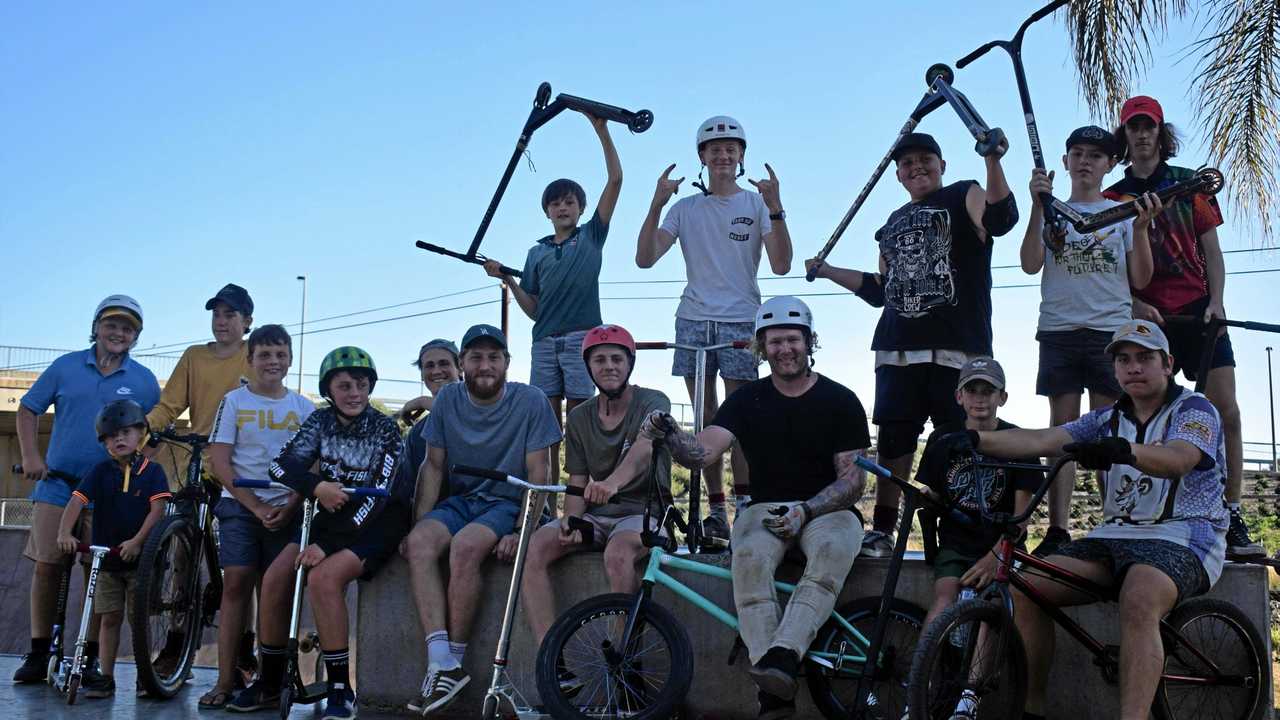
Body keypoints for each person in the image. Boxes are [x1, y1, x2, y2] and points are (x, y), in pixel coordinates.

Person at [938, 319, 1227, 720]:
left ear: (1168, 364)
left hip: (1185, 535)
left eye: (1145, 358)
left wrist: (1124, 451)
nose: (1133, 367)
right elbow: (1042, 439)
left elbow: (1180, 459)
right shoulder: (1106, 417)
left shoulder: (1195, 409)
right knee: (1025, 589)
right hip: (1114, 535)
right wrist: (973, 440)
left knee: (1140, 596)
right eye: (1124, 360)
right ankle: (1032, 710)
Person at [648, 296, 871, 720]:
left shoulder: (841, 399)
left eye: (792, 339)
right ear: (760, 348)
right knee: (747, 560)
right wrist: (671, 433)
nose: (784, 349)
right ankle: (776, 695)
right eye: (774, 342)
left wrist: (806, 511)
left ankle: (783, 658)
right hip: (764, 508)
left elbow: (852, 480)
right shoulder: (746, 399)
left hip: (825, 510)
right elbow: (701, 454)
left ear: (809, 342)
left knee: (830, 555)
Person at [806, 131, 1016, 559]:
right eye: (907, 163)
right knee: (894, 441)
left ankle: (969, 527)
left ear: (942, 165)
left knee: (963, 441)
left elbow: (1001, 219)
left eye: (926, 159)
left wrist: (993, 160)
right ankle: (883, 529)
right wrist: (828, 271)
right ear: (898, 174)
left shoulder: (965, 194)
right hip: (897, 349)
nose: (917, 167)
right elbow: (881, 290)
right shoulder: (891, 225)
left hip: (958, 350)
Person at [1104, 95, 1257, 558]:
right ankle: (1135, 511)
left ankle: (1230, 510)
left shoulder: (1190, 184)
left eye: (1148, 126)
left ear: (1160, 132)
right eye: (1133, 128)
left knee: (1224, 408)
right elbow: (1108, 265)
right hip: (1148, 317)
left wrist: (1217, 301)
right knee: (1142, 416)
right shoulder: (1114, 198)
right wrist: (1134, 302)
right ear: (1125, 137)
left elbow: (1210, 248)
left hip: (1199, 310)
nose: (1142, 134)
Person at [636, 115, 794, 543]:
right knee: (705, 418)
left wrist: (776, 205)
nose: (723, 155)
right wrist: (655, 202)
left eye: (731, 148)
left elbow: (782, 265)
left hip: (742, 318)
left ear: (741, 155)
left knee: (739, 417)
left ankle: (746, 505)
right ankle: (717, 510)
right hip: (693, 319)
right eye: (714, 149)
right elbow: (645, 258)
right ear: (702, 157)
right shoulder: (685, 208)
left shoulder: (756, 204)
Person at [231, 347, 409, 720]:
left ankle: (342, 689)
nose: (354, 393)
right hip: (328, 513)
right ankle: (270, 680)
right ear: (329, 391)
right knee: (276, 576)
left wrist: (324, 546)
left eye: (361, 384)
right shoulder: (320, 421)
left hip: (375, 519)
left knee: (324, 580)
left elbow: (376, 499)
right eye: (344, 386)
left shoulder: (386, 429)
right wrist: (317, 487)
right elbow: (281, 467)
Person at [402, 325, 561, 716]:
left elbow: (541, 475)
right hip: (463, 500)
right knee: (420, 545)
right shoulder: (447, 401)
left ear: (507, 363)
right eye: (476, 357)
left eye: (494, 357)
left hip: (508, 501)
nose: (485, 365)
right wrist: (418, 523)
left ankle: (453, 660)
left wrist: (523, 529)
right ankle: (443, 662)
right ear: (463, 364)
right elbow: (433, 466)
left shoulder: (531, 401)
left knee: (466, 546)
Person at [1020, 125, 1157, 555]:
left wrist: (1139, 228)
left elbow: (1141, 278)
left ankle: (1115, 522)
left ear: (1110, 165)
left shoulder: (1123, 212)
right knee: (1062, 433)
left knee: (1106, 433)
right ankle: (1058, 529)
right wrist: (1037, 206)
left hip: (1107, 332)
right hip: (1059, 329)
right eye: (1076, 153)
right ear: (1065, 162)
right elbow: (1028, 264)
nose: (1084, 162)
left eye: (1095, 156)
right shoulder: (1053, 209)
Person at [13, 294, 160, 685]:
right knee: (47, 566)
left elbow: (151, 431)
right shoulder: (65, 367)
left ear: (136, 336)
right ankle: (38, 650)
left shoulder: (144, 381)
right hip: (58, 486)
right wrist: (31, 456)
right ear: (96, 327)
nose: (118, 333)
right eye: (111, 324)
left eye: (127, 328)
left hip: (112, 494)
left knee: (100, 575)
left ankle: (89, 655)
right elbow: (27, 409)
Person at [519, 324, 672, 669]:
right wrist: (572, 519)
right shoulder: (578, 416)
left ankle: (624, 662)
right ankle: (551, 662)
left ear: (629, 363)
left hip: (644, 513)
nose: (609, 366)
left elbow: (645, 448)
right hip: (598, 517)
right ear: (589, 367)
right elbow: (577, 480)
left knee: (618, 555)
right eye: (600, 359)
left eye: (617, 358)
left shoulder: (653, 400)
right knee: (537, 547)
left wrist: (614, 483)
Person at [483, 110, 622, 486]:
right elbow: (534, 309)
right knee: (546, 423)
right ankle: (544, 496)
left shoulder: (591, 236)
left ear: (580, 207)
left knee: (579, 418)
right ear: (547, 211)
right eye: (556, 203)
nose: (563, 207)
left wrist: (602, 130)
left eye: (570, 202)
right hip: (543, 341)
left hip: (581, 339)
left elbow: (615, 180)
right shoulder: (536, 253)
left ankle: (578, 492)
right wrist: (509, 282)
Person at [910, 358, 1040, 719]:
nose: (980, 398)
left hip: (1002, 545)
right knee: (944, 596)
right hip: (956, 541)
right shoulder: (942, 438)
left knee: (991, 605)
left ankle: (969, 697)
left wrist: (996, 556)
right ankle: (921, 688)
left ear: (1003, 397)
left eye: (989, 391)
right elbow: (933, 493)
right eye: (972, 390)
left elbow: (1023, 516)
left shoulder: (1020, 441)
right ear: (959, 396)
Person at [202, 325, 314, 709]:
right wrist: (256, 506)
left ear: (290, 360)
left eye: (281, 354)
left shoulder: (304, 408)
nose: (273, 361)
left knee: (276, 588)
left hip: (289, 508)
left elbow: (314, 464)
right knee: (235, 583)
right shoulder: (233, 401)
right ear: (249, 360)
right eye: (265, 355)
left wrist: (291, 503)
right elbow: (219, 461)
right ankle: (224, 679)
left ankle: (270, 680)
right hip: (241, 507)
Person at [55, 399, 171, 698]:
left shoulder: (153, 472)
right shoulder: (100, 471)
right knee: (109, 618)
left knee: (138, 621)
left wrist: (137, 542)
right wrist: (65, 532)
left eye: (125, 432)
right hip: (106, 560)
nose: (118, 439)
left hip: (140, 561)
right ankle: (105, 677)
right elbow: (77, 501)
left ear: (141, 434)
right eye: (110, 435)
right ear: (104, 441)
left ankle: (145, 675)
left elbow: (157, 510)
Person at [399, 339, 463, 518]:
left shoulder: (483, 403)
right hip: (436, 522)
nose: (436, 371)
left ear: (460, 367)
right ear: (422, 374)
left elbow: (467, 414)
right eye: (429, 365)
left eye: (444, 363)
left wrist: (420, 401)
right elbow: (410, 488)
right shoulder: (418, 432)